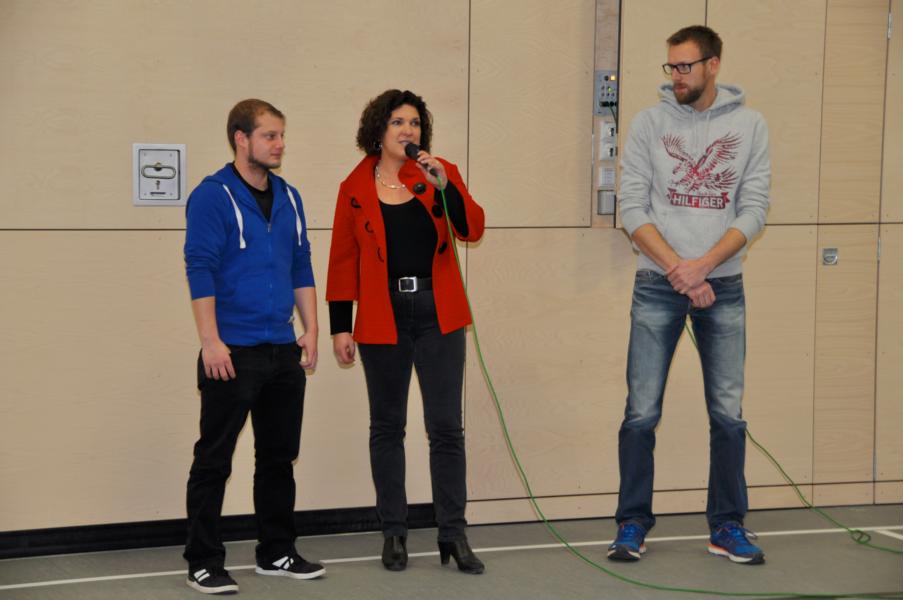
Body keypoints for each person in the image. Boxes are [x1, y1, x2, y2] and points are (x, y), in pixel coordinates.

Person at [609, 25, 771, 565]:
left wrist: (704, 266)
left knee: (727, 414)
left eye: (685, 66)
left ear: (713, 65)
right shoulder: (648, 124)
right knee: (641, 412)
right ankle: (632, 523)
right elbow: (632, 207)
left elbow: (754, 209)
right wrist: (679, 269)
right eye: (671, 67)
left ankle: (727, 525)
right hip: (658, 283)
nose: (677, 76)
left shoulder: (749, 125)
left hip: (723, 285)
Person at [326, 89, 486, 574]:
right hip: (383, 314)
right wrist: (340, 327)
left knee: (446, 428)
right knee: (386, 427)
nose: (407, 130)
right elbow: (343, 260)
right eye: (397, 122)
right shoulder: (354, 186)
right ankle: (393, 532)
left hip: (439, 312)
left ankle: (453, 534)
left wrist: (447, 187)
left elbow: (471, 229)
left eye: (414, 122)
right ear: (378, 130)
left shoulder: (439, 172)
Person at [182, 99, 325, 594]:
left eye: (281, 135)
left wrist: (311, 328)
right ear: (241, 139)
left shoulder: (290, 197)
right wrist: (211, 341)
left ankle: (277, 551)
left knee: (278, 458)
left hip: (282, 350)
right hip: (232, 352)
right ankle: (203, 560)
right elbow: (200, 267)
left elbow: (301, 263)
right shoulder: (212, 196)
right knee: (214, 461)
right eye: (269, 135)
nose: (279, 144)